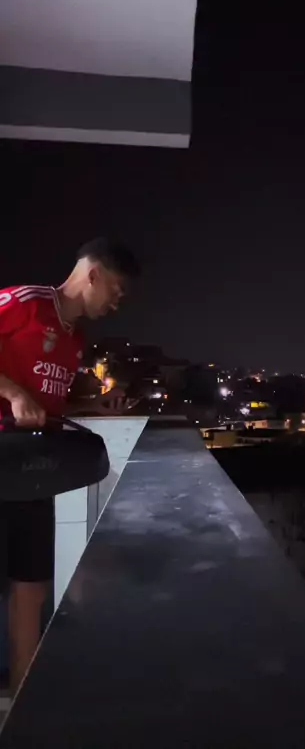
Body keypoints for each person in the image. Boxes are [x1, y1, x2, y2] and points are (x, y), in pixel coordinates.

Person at [0, 237, 140, 693]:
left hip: (34, 472)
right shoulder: (27, 302)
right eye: (116, 290)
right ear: (93, 275)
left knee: (31, 587)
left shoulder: (74, 338)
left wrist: (92, 406)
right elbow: (24, 397)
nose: (117, 303)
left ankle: (21, 698)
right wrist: (13, 394)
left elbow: (49, 404)